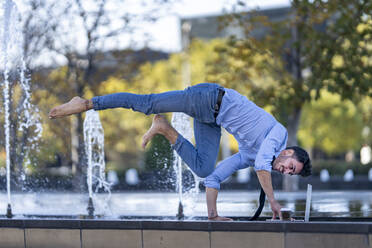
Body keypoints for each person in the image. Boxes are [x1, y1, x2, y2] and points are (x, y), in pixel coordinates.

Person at [49, 83, 311, 221]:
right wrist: (273, 201)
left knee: (205, 167)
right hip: (208, 97)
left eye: (291, 173)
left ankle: (164, 128)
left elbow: (214, 178)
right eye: (291, 167)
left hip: (211, 119)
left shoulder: (255, 156)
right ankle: (86, 103)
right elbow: (263, 166)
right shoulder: (278, 134)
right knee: (147, 103)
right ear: (287, 152)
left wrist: (214, 215)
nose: (286, 171)